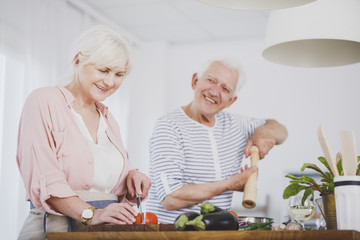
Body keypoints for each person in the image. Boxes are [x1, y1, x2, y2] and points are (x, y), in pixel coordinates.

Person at [16, 25, 151, 239]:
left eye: (119, 74)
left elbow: (106, 180)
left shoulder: (109, 119)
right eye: (103, 70)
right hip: (55, 229)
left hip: (101, 233)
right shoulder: (43, 101)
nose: (110, 82)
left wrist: (132, 177)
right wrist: (91, 214)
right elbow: (46, 179)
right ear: (78, 60)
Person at [146, 57, 288, 223]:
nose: (214, 92)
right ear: (195, 81)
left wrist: (263, 133)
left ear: (231, 101)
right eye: (211, 80)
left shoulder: (236, 125)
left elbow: (280, 130)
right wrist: (230, 184)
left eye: (225, 89)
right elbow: (170, 198)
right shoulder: (169, 126)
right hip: (170, 234)